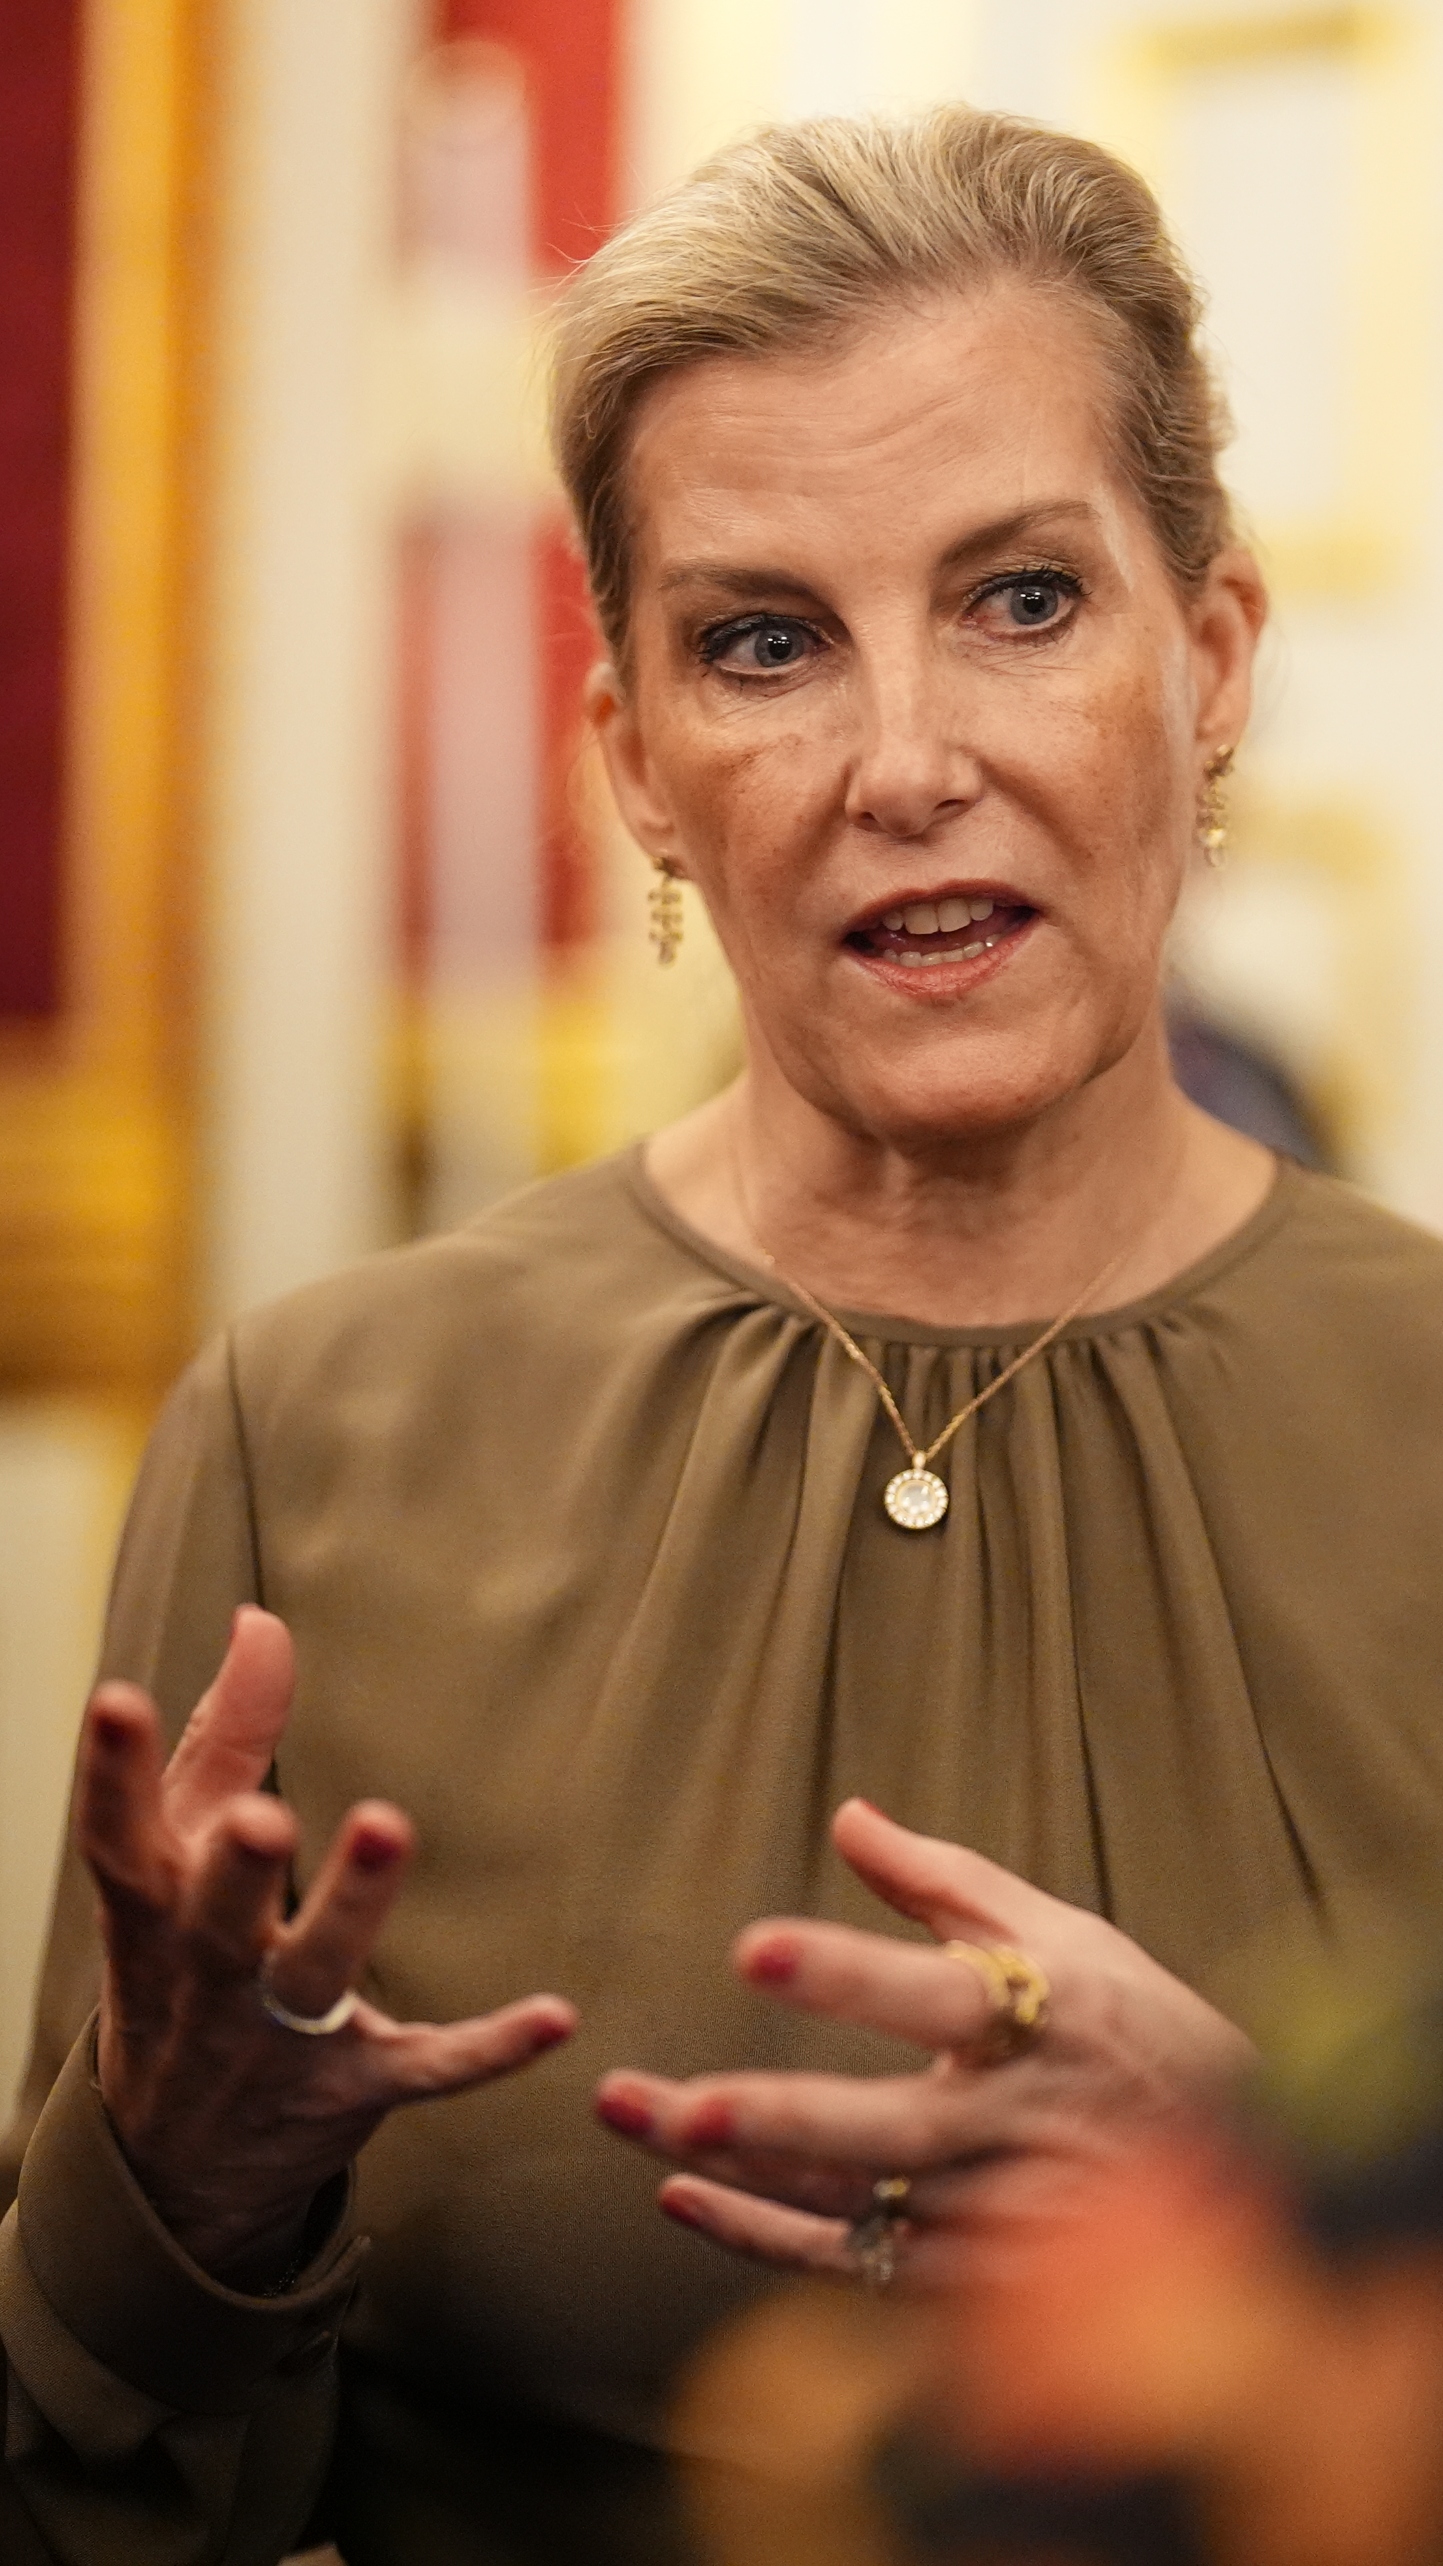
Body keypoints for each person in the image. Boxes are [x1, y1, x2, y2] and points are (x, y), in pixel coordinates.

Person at [3, 102, 1443, 2566]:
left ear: (1205, 661)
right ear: (638, 766)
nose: (905, 763)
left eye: (1018, 599)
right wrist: (177, 2213)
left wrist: (1292, 2225)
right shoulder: (318, 1435)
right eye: (762, 643)